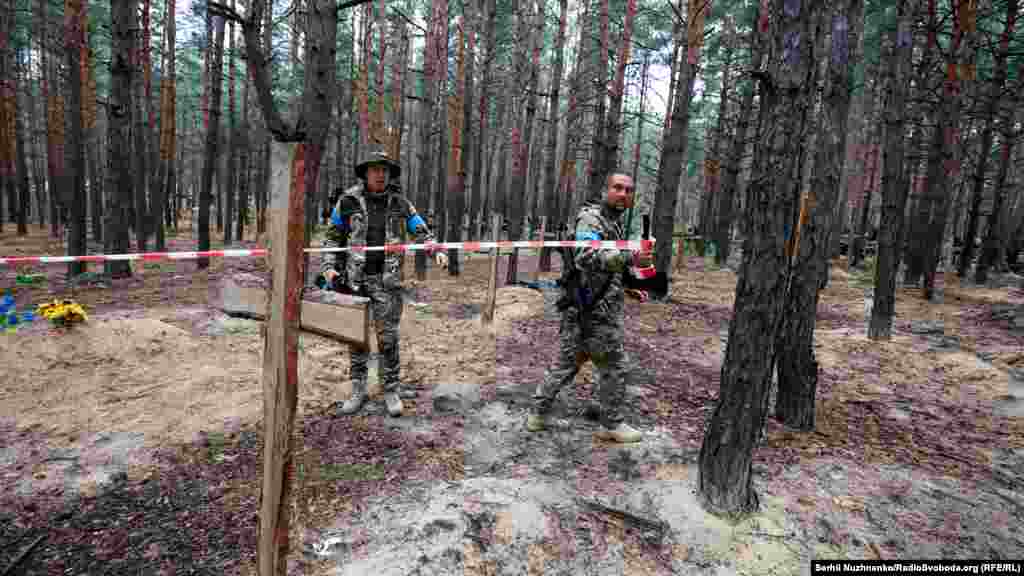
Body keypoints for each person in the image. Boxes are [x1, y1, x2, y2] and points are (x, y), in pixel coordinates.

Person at [321, 150, 448, 417]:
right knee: (354, 338)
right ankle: (358, 390)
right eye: (375, 169)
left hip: (387, 282)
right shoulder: (347, 201)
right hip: (352, 282)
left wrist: (434, 249)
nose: (380, 174)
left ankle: (390, 389)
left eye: (384, 170)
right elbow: (332, 238)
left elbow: (421, 230)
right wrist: (329, 269)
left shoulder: (400, 203)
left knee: (388, 339)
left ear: (389, 174)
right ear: (365, 173)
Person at [527, 173, 650, 443]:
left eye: (628, 190)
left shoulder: (611, 223)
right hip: (590, 309)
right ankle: (612, 424)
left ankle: (537, 412)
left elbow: (607, 268)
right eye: (617, 188)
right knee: (615, 366)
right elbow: (586, 256)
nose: (623, 194)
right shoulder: (591, 219)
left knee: (567, 363)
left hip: (592, 306)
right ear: (605, 190)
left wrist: (629, 287)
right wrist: (632, 256)